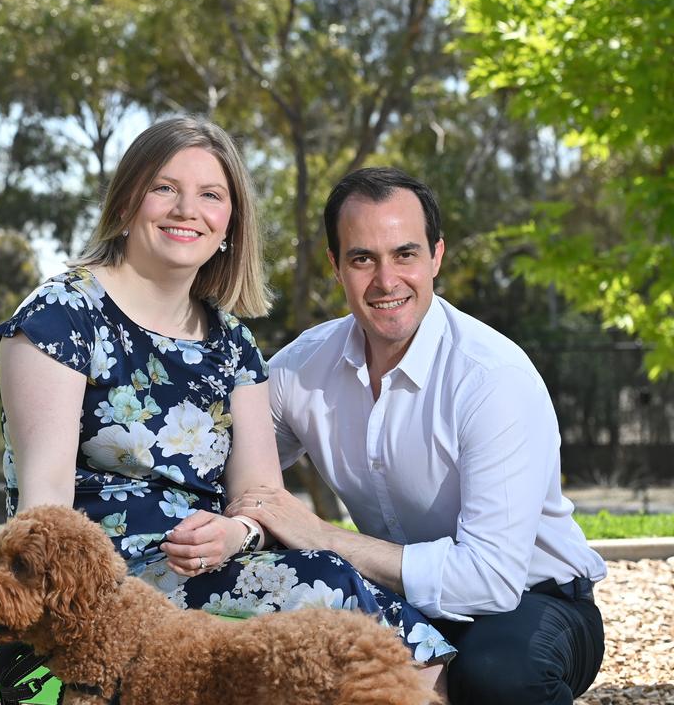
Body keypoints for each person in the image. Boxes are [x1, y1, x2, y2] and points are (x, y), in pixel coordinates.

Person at [0, 119, 454, 683]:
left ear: (230, 222)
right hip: (103, 576)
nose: (187, 210)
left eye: (211, 195)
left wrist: (235, 534)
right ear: (128, 200)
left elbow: (260, 496)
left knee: (347, 584)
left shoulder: (232, 342)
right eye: (164, 188)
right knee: (323, 590)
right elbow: (45, 507)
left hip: (215, 560)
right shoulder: (61, 316)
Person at [230, 167, 606, 704]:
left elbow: (491, 580)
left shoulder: (492, 378)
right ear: (335, 265)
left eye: (405, 254)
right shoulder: (299, 370)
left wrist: (326, 538)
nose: (386, 281)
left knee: (497, 677)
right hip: (393, 597)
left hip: (533, 601)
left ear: (436, 256)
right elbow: (229, 469)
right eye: (363, 258)